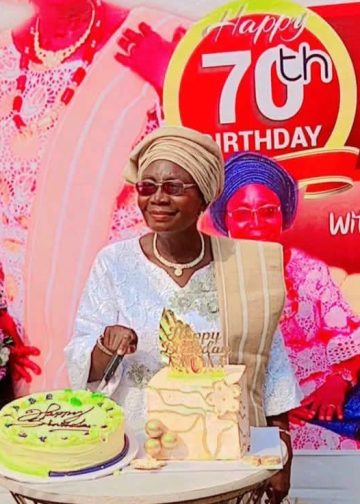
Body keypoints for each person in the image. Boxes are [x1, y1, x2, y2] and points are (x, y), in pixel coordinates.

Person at [66, 126, 303, 504]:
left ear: (204, 196)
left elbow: (270, 364)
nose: (158, 198)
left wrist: (282, 451)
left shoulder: (244, 265)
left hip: (223, 464)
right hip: (137, 457)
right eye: (147, 187)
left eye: (174, 187)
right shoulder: (113, 263)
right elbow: (83, 365)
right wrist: (104, 343)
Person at [0, 0, 186, 393]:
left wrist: (176, 80)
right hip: (23, 335)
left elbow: (205, 170)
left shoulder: (152, 38)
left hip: (122, 317)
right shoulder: (3, 55)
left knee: (125, 441)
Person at [209, 151, 360, 450]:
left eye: (268, 211)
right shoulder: (212, 278)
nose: (256, 224)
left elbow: (349, 337)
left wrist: (337, 384)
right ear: (224, 221)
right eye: (242, 213)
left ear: (283, 216)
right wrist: (278, 403)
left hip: (322, 404)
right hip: (248, 405)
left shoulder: (308, 271)